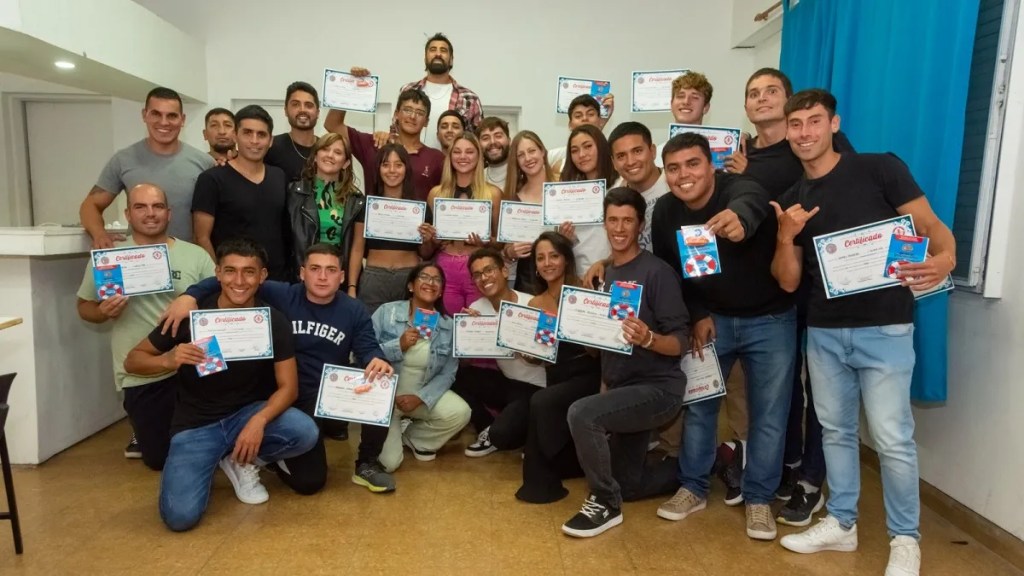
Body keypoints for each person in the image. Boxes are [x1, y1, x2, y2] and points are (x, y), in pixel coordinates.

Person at [772, 90, 956, 576]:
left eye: (815, 121)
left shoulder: (879, 169)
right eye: (796, 124)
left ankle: (905, 538)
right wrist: (785, 236)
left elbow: (930, 225)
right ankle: (842, 522)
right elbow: (788, 281)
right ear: (786, 131)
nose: (805, 132)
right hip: (825, 333)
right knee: (835, 431)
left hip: (886, 327)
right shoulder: (792, 199)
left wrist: (946, 258)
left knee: (893, 439)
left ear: (834, 124)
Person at [159, 243, 398, 494]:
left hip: (331, 391)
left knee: (380, 386)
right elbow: (233, 279)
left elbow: (368, 346)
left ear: (341, 277)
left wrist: (376, 359)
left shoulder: (354, 309)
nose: (322, 277)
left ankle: (367, 463)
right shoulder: (282, 294)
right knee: (309, 482)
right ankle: (255, 455)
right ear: (302, 273)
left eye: (330, 270)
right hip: (290, 395)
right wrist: (190, 295)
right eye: (315, 269)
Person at [724, 67, 855, 525]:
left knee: (821, 387)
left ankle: (811, 481)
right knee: (783, 392)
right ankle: (787, 464)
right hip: (773, 290)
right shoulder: (740, 154)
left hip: (821, 287)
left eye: (771, 91)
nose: (762, 99)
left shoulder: (815, 146)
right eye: (753, 93)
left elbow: (838, 200)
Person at [651, 133, 796, 542]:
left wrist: (740, 219)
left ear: (711, 165)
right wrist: (697, 313)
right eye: (674, 168)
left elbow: (752, 198)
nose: (683, 175)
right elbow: (671, 272)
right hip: (712, 320)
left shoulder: (739, 189)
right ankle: (693, 488)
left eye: (693, 164)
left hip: (770, 319)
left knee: (769, 415)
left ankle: (759, 498)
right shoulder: (665, 210)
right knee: (700, 407)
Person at [124, 238, 319, 532]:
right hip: (196, 425)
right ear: (217, 273)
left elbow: (288, 388)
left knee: (304, 431)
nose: (239, 281)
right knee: (180, 517)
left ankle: (241, 459)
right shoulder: (190, 317)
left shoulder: (272, 320)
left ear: (262, 276)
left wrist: (258, 421)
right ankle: (222, 456)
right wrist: (167, 359)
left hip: (247, 414)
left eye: (249, 272)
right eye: (230, 271)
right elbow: (133, 360)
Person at [561, 187, 689, 538]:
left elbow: (680, 342)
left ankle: (605, 503)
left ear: (640, 224)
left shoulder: (657, 273)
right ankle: (696, 466)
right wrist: (579, 328)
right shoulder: (603, 275)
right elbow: (602, 348)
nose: (619, 228)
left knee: (581, 413)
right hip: (622, 389)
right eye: (613, 220)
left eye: (627, 221)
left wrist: (648, 338)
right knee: (629, 484)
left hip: (658, 390)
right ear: (604, 223)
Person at [76, 183, 214, 466]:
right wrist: (102, 311)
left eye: (157, 206)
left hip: (194, 367)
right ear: (128, 214)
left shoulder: (195, 255)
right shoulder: (109, 257)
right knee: (160, 459)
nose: (150, 213)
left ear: (169, 213)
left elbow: (218, 300)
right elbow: (84, 307)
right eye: (140, 207)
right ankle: (144, 432)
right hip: (143, 372)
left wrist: (191, 297)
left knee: (205, 443)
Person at [515, 231, 601, 504]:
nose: (547, 263)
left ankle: (539, 485)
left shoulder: (584, 292)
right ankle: (554, 471)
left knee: (540, 401)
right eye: (540, 258)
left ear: (566, 259)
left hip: (587, 374)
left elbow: (597, 351)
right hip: (557, 377)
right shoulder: (535, 303)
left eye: (554, 256)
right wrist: (524, 351)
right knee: (543, 403)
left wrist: (572, 324)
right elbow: (539, 358)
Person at [79, 87, 213, 248]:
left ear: (182, 119)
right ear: (144, 115)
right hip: (139, 258)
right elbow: (90, 205)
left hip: (189, 258)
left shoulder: (205, 162)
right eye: (156, 114)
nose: (164, 122)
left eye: (171, 115)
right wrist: (99, 234)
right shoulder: (123, 160)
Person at [371, 263, 470, 471]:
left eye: (437, 280)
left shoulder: (448, 325)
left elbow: (448, 373)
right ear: (410, 285)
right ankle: (390, 430)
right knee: (389, 464)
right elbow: (363, 353)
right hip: (385, 397)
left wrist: (421, 397)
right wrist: (398, 345)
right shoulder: (386, 312)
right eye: (424, 277)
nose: (430, 282)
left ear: (441, 290)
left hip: (420, 397)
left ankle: (415, 438)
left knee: (460, 412)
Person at [452, 248, 547, 456]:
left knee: (503, 435)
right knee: (455, 376)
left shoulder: (532, 303)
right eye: (477, 274)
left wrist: (527, 352)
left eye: (489, 270)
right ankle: (487, 427)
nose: (484, 278)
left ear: (504, 271)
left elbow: (546, 360)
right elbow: (465, 362)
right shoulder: (477, 308)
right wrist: (467, 335)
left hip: (537, 388)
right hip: (507, 383)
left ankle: (522, 430)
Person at [192, 105, 291, 281]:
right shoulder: (212, 179)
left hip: (277, 280)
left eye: (261, 135)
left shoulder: (279, 176)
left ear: (270, 140)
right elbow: (201, 237)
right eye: (247, 133)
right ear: (235, 136)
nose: (254, 141)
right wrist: (219, 277)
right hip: (234, 282)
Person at [347, 144, 433, 315]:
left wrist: (428, 240)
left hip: (409, 277)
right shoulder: (367, 205)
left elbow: (426, 253)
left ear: (406, 169)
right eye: (386, 165)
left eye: (398, 165)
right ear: (378, 169)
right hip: (374, 278)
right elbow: (357, 248)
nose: (392, 170)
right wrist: (351, 287)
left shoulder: (420, 208)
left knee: (410, 329)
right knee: (370, 328)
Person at [423, 133, 503, 314]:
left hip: (479, 268)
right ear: (450, 156)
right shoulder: (436, 194)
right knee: (446, 322)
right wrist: (432, 240)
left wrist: (485, 243)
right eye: (457, 152)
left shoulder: (493, 194)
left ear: (479, 156)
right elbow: (426, 250)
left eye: (470, 152)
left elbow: (501, 243)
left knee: (481, 322)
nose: (463, 157)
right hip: (445, 266)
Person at [325, 83, 444, 201]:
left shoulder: (436, 158)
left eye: (420, 113)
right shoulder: (375, 144)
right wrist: (351, 85)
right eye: (407, 110)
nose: (412, 116)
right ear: (396, 114)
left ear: (426, 121)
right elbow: (332, 124)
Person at [286, 131, 364, 278]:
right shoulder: (293, 193)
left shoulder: (356, 200)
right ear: (315, 156)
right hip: (301, 276)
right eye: (325, 149)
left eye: (338, 152)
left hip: (339, 278)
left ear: (346, 163)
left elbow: (357, 248)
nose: (330, 155)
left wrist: (352, 286)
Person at [397, 32, 483, 146]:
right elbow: (395, 129)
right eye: (433, 50)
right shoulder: (408, 90)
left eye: (443, 50)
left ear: (451, 60)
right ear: (425, 58)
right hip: (410, 156)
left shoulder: (469, 98)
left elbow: (477, 142)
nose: (438, 54)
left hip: (451, 158)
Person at [502, 130, 558, 295]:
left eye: (532, 151)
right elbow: (505, 248)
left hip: (562, 276)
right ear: (516, 161)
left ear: (542, 152)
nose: (528, 158)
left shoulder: (564, 189)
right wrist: (511, 252)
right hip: (527, 281)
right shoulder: (513, 199)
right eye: (521, 155)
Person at [559, 124, 615, 279]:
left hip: (613, 271)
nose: (581, 155)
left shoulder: (621, 184)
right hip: (579, 275)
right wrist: (565, 237)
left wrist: (606, 262)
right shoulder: (567, 192)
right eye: (574, 150)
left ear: (601, 147)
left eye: (588, 146)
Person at [264, 81, 321, 183]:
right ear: (286, 110)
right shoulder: (270, 147)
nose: (302, 110)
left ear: (317, 112)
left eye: (308, 105)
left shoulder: (326, 148)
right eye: (295, 104)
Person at [655, 71, 714, 167]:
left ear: (706, 107)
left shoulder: (721, 151)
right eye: (680, 96)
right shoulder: (657, 155)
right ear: (671, 104)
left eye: (695, 97)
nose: (686, 102)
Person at [548, 94, 615, 174]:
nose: (585, 118)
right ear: (570, 125)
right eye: (578, 116)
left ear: (600, 120)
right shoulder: (560, 163)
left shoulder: (614, 159)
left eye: (590, 114)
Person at [478, 117, 510, 190]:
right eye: (485, 138)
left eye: (498, 136)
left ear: (509, 141)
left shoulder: (523, 174)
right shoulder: (477, 178)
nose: (492, 142)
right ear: (479, 145)